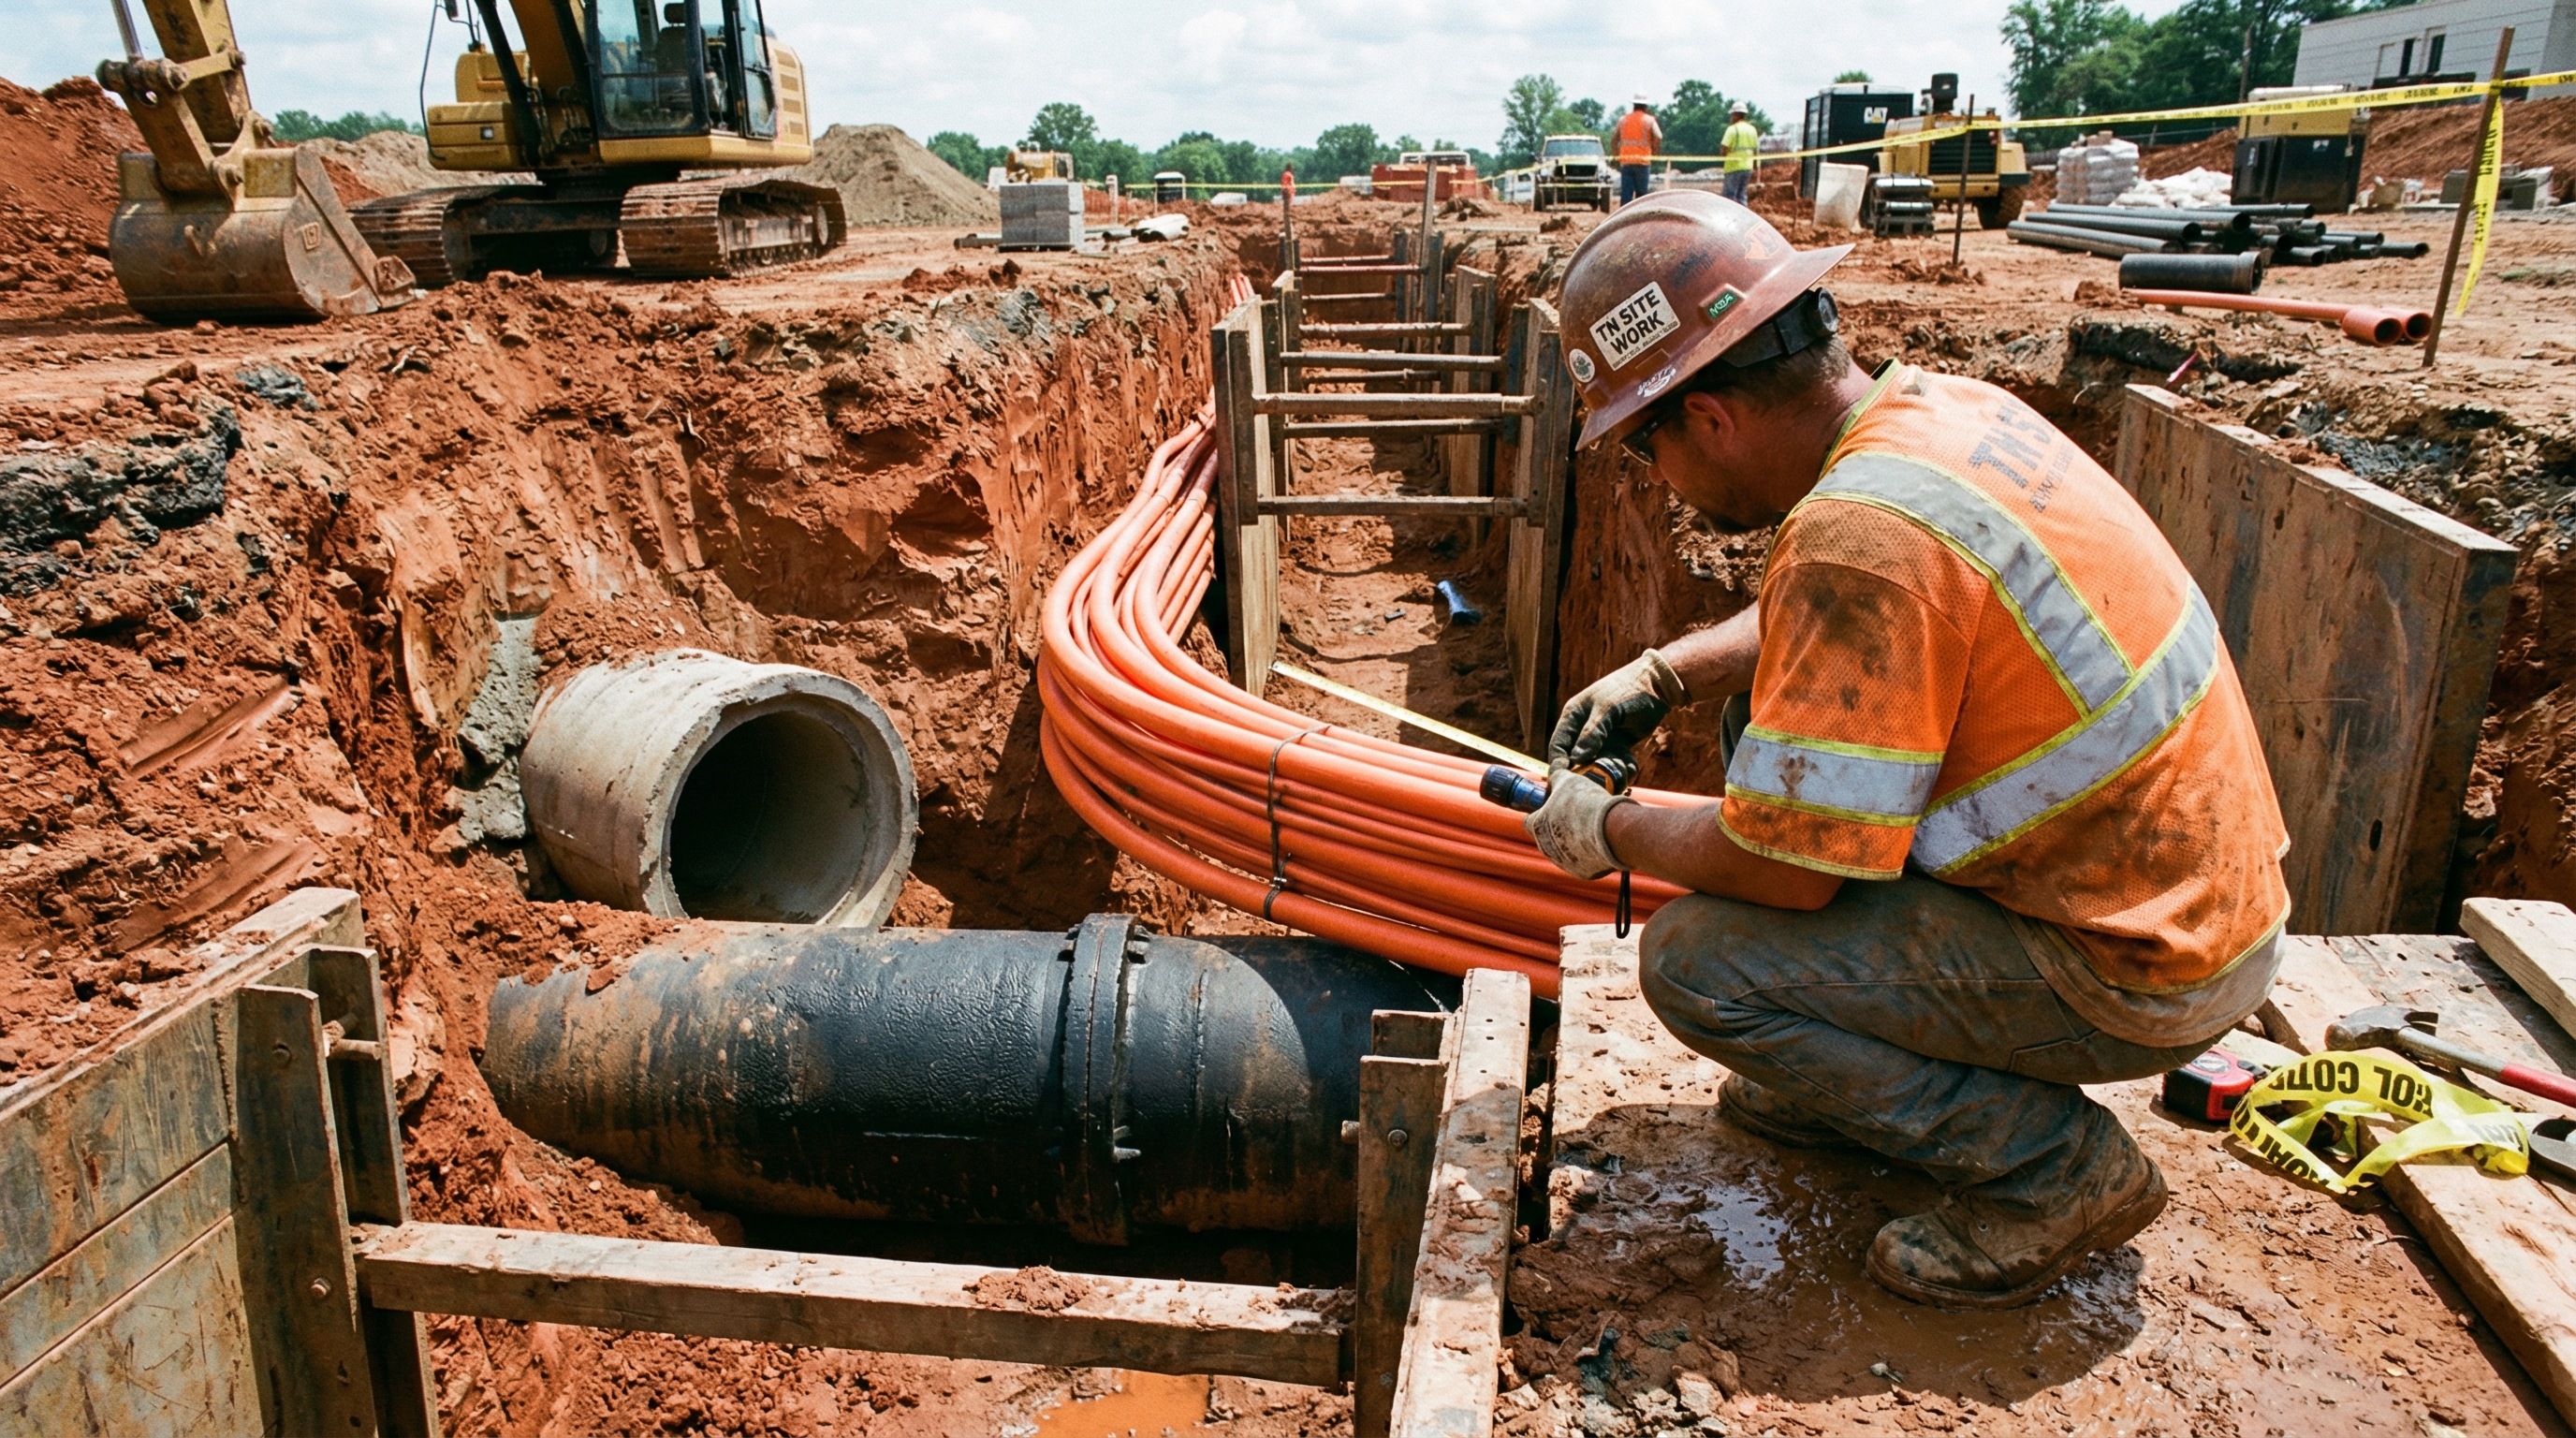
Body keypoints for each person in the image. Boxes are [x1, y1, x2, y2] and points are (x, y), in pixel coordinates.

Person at [1528, 190, 2291, 1311]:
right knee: (1761, 733)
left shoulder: (1858, 539)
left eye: (1647, 446)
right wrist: (1669, 671)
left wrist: (1609, 829)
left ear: (1710, 421)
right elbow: (1850, 599)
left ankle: (2051, 1172)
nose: (1655, 479)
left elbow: (1784, 869)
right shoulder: (1938, 419)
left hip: (2131, 966)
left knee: (1699, 966)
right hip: (2188, 894)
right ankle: (1852, 1070)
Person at [1614, 95, 1661, 207]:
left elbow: (1614, 138)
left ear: (1634, 105)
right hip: (1642, 162)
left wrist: (1616, 156)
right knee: (1641, 196)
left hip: (1626, 161)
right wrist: (1655, 151)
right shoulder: (1649, 120)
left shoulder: (1623, 120)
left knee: (1626, 194)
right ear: (1645, 106)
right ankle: (1639, 219)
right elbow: (1659, 136)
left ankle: (1624, 219)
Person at [1720, 102, 1760, 203]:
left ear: (1735, 114)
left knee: (1729, 197)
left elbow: (1724, 149)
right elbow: (1756, 151)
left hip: (1733, 167)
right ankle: (1744, 218)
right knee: (1742, 196)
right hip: (1747, 167)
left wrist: (1725, 155)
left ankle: (1728, 218)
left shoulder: (1732, 129)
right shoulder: (1752, 130)